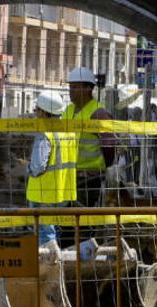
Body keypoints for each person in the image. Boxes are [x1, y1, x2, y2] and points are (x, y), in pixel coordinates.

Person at [27, 91, 78, 245]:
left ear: (43, 112)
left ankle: (49, 267)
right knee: (54, 233)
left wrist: (27, 168)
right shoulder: (69, 132)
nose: (35, 114)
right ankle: (56, 265)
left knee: (45, 237)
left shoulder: (45, 134)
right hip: (62, 193)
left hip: (43, 194)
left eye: (37, 110)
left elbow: (37, 167)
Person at [62, 67, 117, 207]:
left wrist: (101, 169)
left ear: (87, 89)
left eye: (75, 87)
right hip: (67, 175)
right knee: (65, 221)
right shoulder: (68, 111)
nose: (71, 91)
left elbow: (109, 148)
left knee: (82, 221)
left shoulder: (98, 114)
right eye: (70, 87)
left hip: (88, 179)